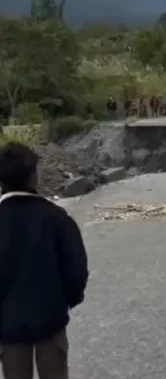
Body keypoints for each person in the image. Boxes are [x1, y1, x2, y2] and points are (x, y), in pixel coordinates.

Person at [0, 143, 89, 379]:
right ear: (33, 176)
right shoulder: (57, 218)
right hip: (50, 318)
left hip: (7, 324)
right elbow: (77, 269)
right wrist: (66, 300)